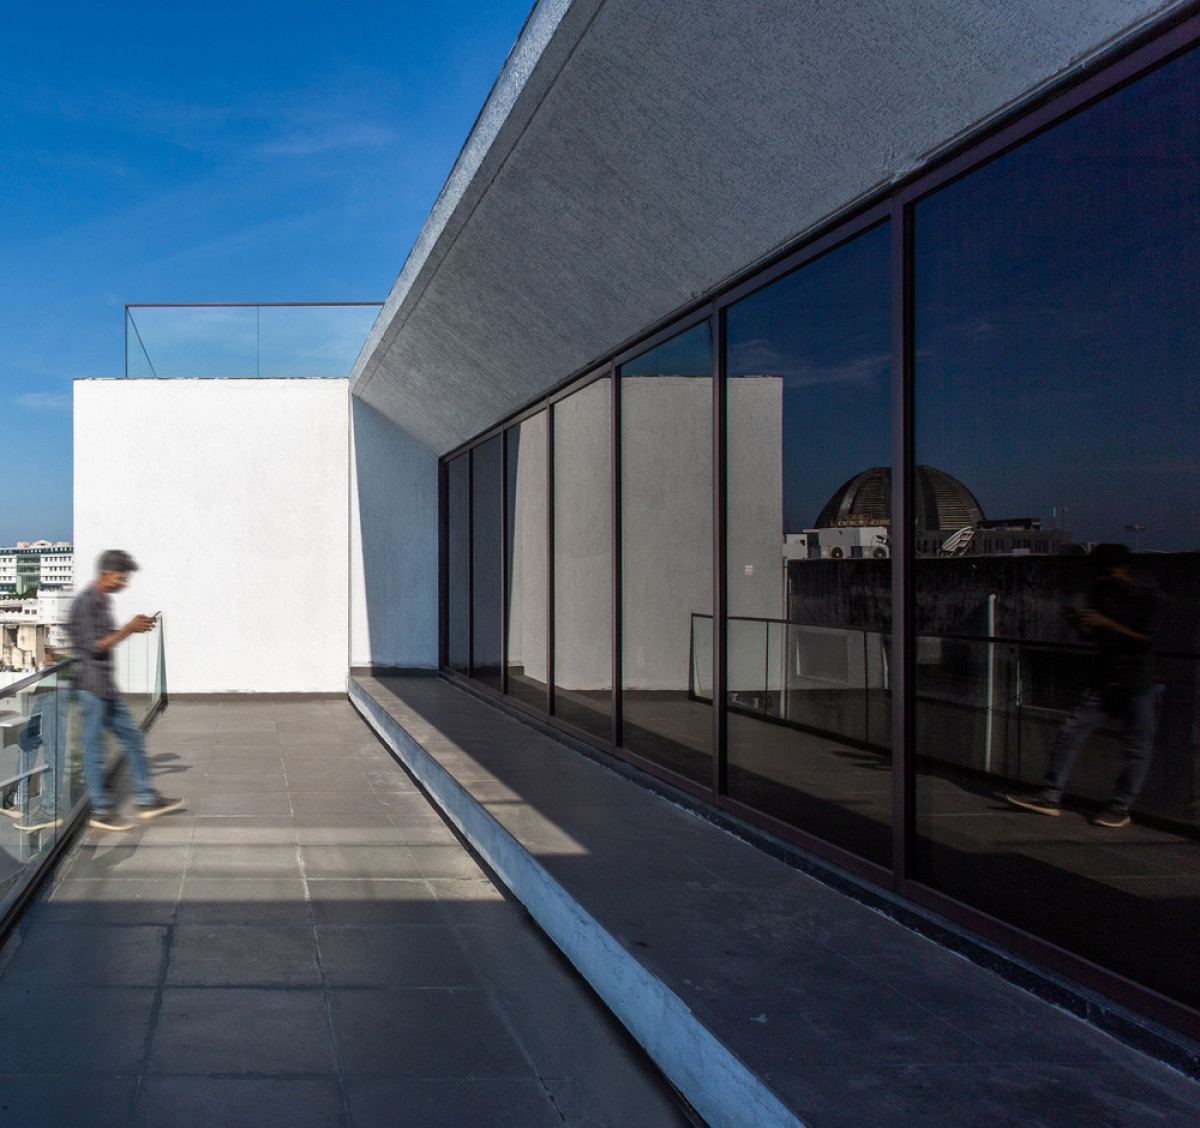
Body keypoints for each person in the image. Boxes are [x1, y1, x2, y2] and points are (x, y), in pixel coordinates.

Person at [1005, 543, 1159, 829]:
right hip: (1106, 679)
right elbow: (1093, 636)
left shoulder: (1146, 597)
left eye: (1105, 572)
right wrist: (1081, 623)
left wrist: (1105, 623)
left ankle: (1119, 806)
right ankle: (1050, 795)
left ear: (1121, 570)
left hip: (1137, 682)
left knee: (1138, 747)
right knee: (1070, 732)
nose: (1100, 578)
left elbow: (1145, 641)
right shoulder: (1101, 592)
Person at [68, 549, 183, 832]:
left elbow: (104, 639)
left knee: (132, 736)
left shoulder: (102, 599)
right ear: (105, 574)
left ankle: (145, 798)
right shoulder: (85, 603)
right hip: (91, 689)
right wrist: (129, 628)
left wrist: (132, 627)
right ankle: (101, 810)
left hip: (105, 687)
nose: (124, 584)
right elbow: (94, 646)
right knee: (94, 750)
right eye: (121, 578)